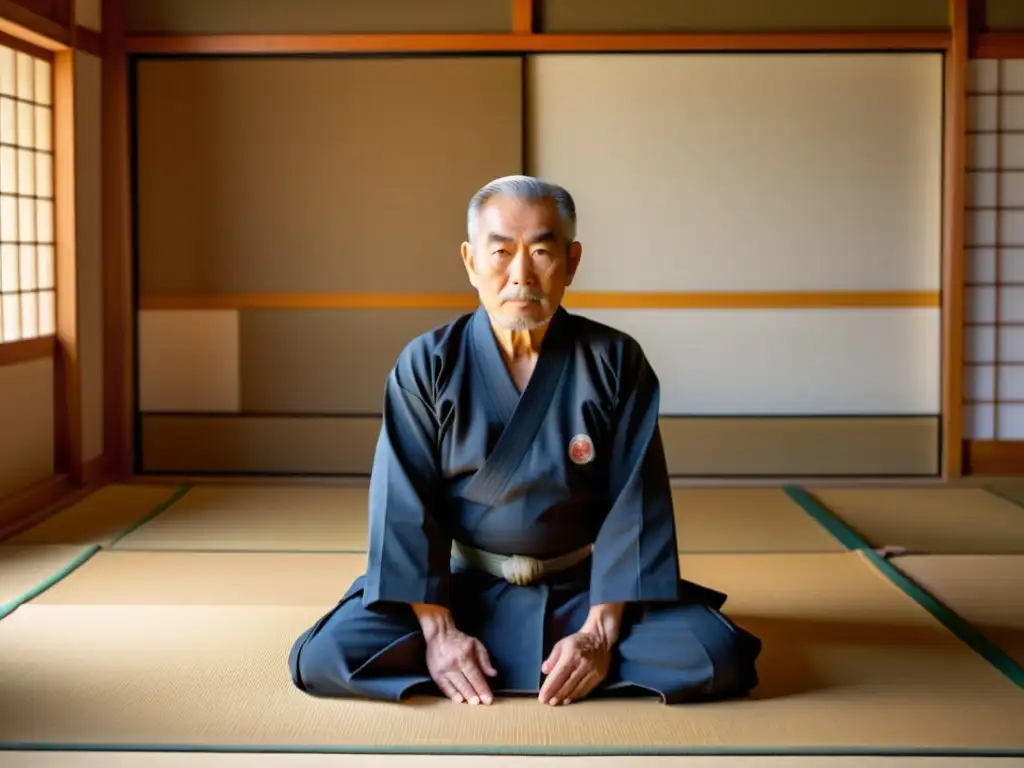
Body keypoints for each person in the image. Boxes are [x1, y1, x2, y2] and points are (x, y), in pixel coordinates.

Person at [288, 175, 761, 707]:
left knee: (716, 656)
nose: (520, 274)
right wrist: (439, 634)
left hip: (584, 591)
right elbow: (403, 506)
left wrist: (599, 634)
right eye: (500, 253)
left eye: (540, 251)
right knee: (327, 656)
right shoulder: (428, 364)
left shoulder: (615, 361)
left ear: (572, 261)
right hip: (459, 592)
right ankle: (464, 654)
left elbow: (636, 507)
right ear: (469, 261)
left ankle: (568, 656)